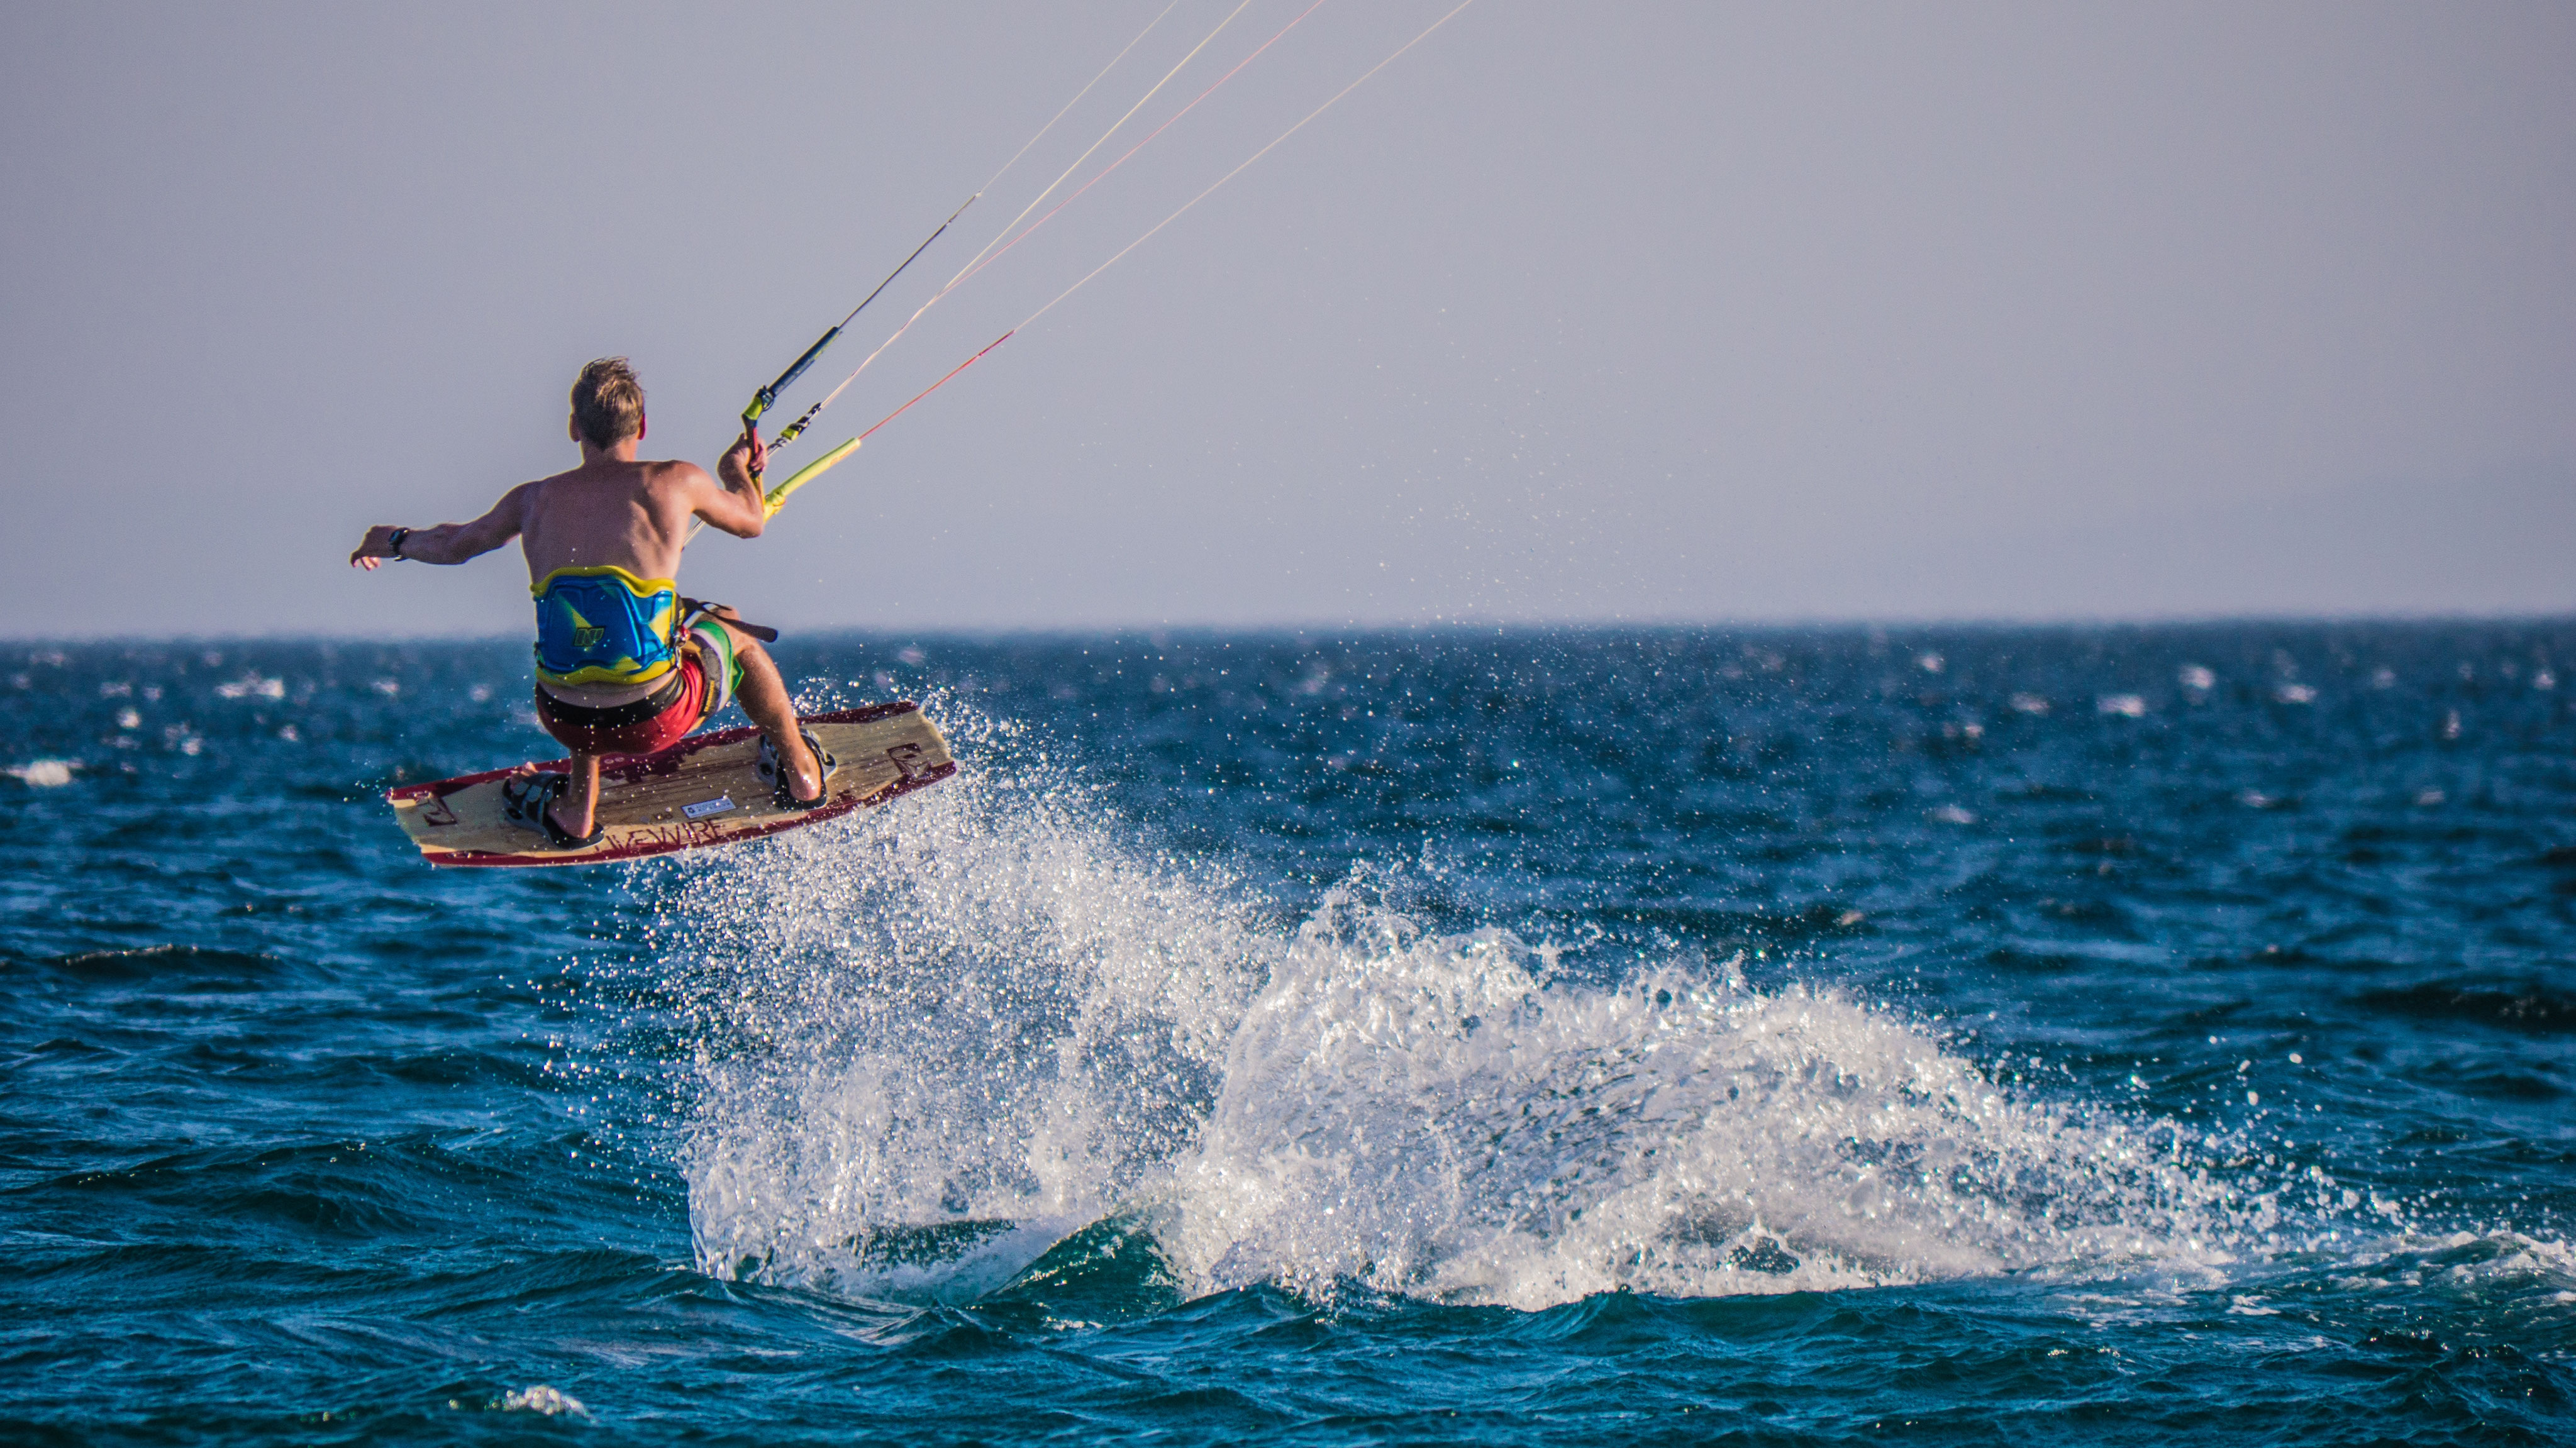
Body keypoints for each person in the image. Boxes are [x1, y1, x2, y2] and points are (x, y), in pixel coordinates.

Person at [349, 357, 827, 849]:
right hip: (656, 718)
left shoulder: (532, 501)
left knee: (587, 636)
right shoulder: (676, 481)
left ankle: (578, 808)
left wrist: (397, 540)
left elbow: (454, 546)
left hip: (564, 716)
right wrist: (736, 471)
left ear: (574, 427)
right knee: (735, 633)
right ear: (641, 425)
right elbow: (752, 520)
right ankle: (801, 771)